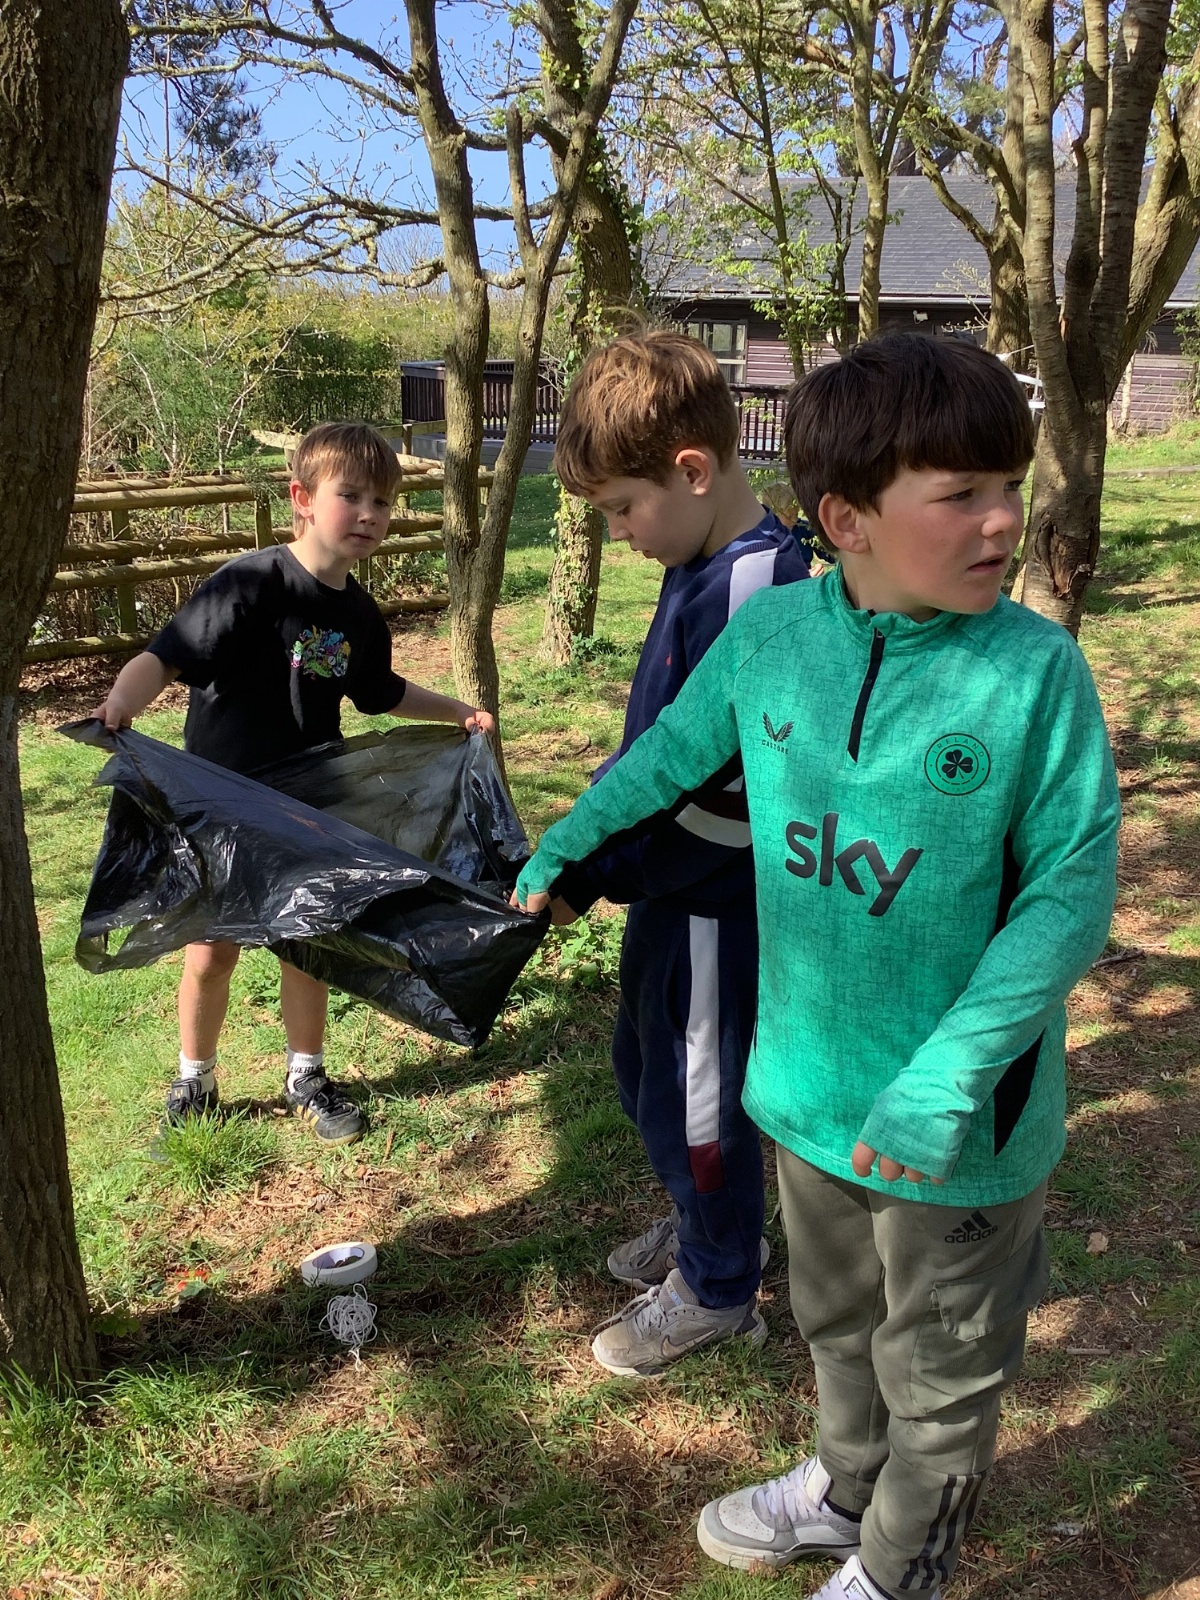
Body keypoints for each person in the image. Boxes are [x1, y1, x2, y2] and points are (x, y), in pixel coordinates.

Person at [515, 335, 1120, 1600]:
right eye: (960, 493)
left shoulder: (1037, 676)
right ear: (846, 520)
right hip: (803, 1093)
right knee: (837, 1323)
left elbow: (1068, 897)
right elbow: (669, 756)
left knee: (940, 1372)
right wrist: (572, 840)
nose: (1003, 519)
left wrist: (949, 1079)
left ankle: (901, 1570)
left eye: (1007, 486)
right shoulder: (774, 636)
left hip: (958, 1129)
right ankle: (847, 1493)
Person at [93, 421, 495, 1148]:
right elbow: (167, 655)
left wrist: (458, 712)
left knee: (308, 942)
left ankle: (306, 1075)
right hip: (219, 805)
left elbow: (381, 694)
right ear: (302, 498)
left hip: (310, 806)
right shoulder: (250, 584)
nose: (369, 514)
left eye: (382, 501)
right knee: (210, 952)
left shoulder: (359, 614)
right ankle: (195, 1079)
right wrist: (123, 701)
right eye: (351, 496)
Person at [542, 331, 810, 1376]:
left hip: (716, 896)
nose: (619, 534)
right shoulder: (696, 561)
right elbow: (659, 745)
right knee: (646, 1064)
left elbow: (729, 792)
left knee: (701, 1094)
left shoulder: (759, 587)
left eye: (622, 510)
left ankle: (720, 1285)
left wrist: (601, 869)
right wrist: (593, 837)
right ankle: (701, 1219)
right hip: (663, 886)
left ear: (693, 471)